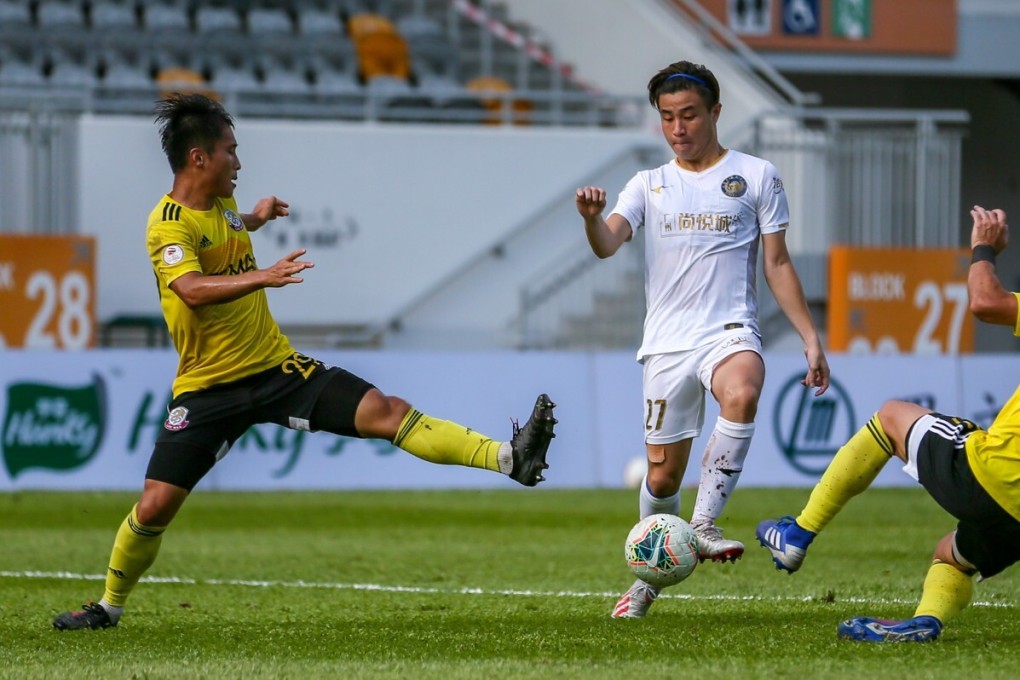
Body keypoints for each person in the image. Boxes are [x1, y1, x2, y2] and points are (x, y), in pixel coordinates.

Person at [53, 93, 557, 631]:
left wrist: (257, 218)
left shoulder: (222, 207)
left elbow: (228, 228)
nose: (240, 163)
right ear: (198, 158)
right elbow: (192, 289)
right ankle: (108, 606)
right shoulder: (167, 225)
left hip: (277, 370)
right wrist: (263, 275)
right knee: (154, 508)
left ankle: (508, 458)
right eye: (231, 152)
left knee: (387, 410)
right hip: (208, 390)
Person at [575, 61, 829, 619]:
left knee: (743, 388)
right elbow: (607, 244)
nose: (678, 128)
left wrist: (811, 337)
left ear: (715, 112)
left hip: (729, 329)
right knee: (662, 475)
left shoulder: (757, 175)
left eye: (688, 115)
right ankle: (646, 582)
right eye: (667, 118)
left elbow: (778, 262)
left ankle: (706, 523)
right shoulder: (647, 184)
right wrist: (594, 220)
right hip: (666, 344)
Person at [757, 205, 1020, 643]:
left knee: (892, 417)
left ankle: (798, 534)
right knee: (952, 556)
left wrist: (984, 248)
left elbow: (985, 302)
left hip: (997, 473)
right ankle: (925, 622)